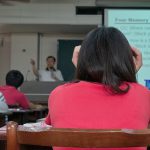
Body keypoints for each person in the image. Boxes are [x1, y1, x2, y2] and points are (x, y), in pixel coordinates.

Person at [45, 27, 149, 150]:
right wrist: (130, 74)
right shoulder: (144, 94)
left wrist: (82, 70)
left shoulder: (59, 94)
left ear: (81, 59)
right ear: (126, 59)